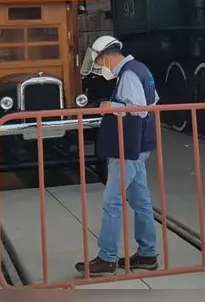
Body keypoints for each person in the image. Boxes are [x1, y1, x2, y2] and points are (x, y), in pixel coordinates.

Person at [75, 35, 159, 277]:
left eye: (100, 63)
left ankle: (107, 257)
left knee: (112, 200)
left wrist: (110, 107)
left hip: (129, 147)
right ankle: (147, 253)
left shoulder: (129, 74)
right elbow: (154, 100)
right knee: (140, 201)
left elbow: (139, 110)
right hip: (141, 146)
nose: (101, 68)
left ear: (107, 57)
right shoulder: (141, 69)